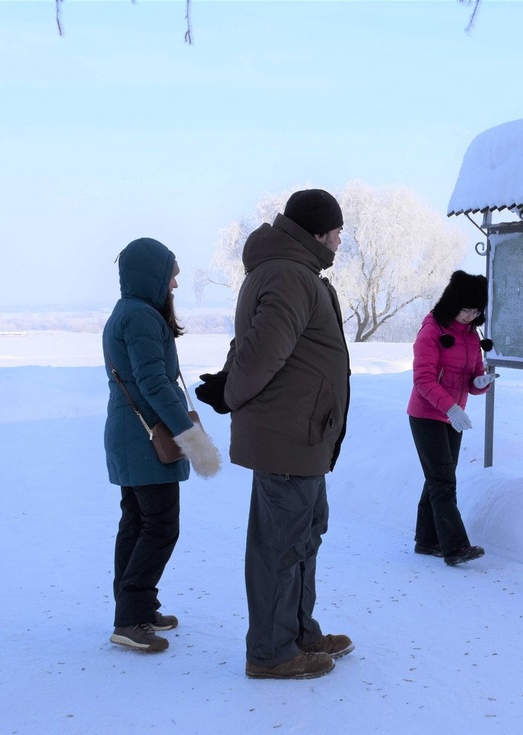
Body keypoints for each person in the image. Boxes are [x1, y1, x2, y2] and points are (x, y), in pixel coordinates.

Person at [209, 189, 353, 680]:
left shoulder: (290, 271)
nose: (340, 241)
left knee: (304, 536)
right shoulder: (291, 275)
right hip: (288, 437)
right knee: (281, 546)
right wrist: (230, 391)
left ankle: (298, 633)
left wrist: (228, 382)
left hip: (303, 436)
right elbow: (261, 354)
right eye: (337, 232)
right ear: (318, 232)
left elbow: (249, 344)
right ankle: (271, 652)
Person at [102, 237, 221, 653]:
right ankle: (130, 618)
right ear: (151, 275)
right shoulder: (140, 317)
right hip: (147, 438)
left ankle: (136, 609)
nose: (174, 284)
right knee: (160, 526)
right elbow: (154, 383)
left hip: (131, 435)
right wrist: (192, 438)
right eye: (170, 276)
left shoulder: (128, 312)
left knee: (137, 524)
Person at [407, 270, 495, 567]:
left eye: (476, 311)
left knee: (438, 478)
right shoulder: (432, 330)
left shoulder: (471, 335)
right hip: (426, 414)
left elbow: (473, 375)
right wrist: (451, 408)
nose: (470, 316)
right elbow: (423, 380)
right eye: (466, 309)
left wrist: (480, 384)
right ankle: (455, 546)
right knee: (443, 480)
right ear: (453, 303)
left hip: (452, 417)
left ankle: (426, 539)